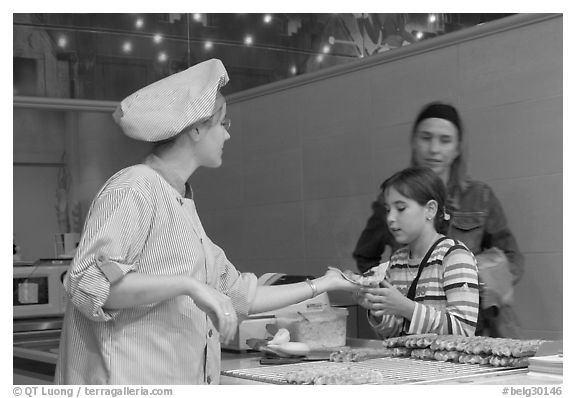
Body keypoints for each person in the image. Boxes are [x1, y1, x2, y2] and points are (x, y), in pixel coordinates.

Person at [54, 59, 357, 385]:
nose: (227, 135)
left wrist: (324, 284)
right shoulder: (134, 186)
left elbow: (238, 294)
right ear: (196, 128)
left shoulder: (181, 204)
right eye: (223, 123)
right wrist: (189, 285)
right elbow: (89, 284)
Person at [352, 102, 523, 338]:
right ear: (414, 142)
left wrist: (471, 282)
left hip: (474, 329)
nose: (434, 149)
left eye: (445, 140)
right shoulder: (398, 254)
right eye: (426, 137)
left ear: (457, 149)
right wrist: (379, 295)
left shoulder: (479, 198)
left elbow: (512, 258)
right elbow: (367, 258)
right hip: (413, 343)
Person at [356, 166, 479, 338]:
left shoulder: (454, 256)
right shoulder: (397, 261)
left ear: (430, 209)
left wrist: (406, 307)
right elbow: (394, 334)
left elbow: (463, 332)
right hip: (409, 364)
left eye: (400, 208)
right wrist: (377, 307)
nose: (390, 218)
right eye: (387, 209)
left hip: (445, 365)